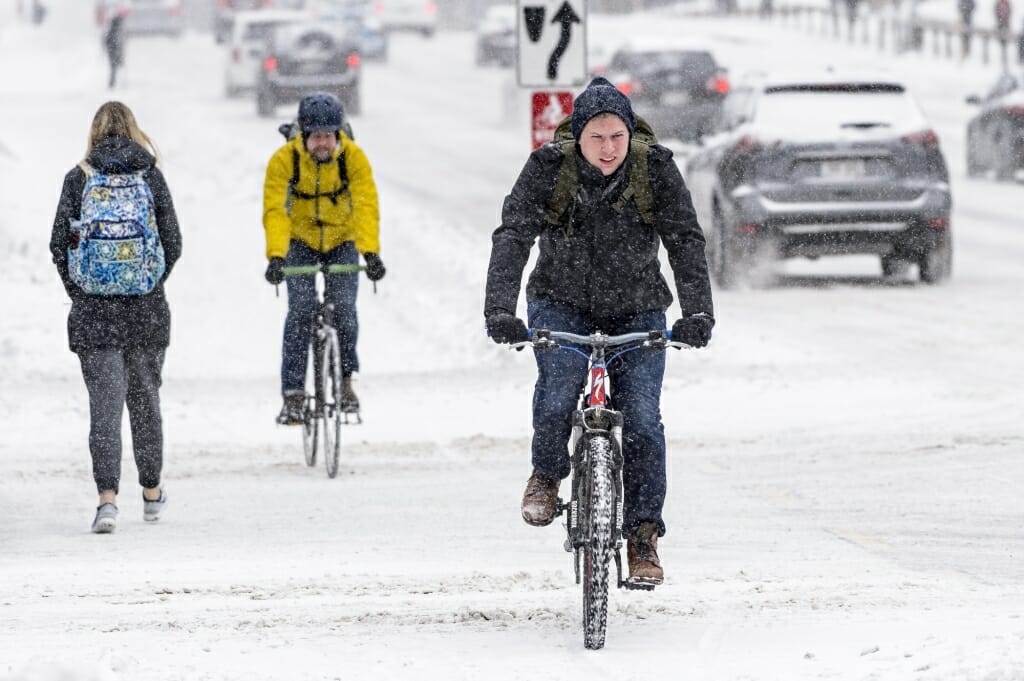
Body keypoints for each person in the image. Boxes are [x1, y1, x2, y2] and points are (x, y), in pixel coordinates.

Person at [484, 77, 715, 585]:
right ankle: (546, 475)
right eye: (597, 138)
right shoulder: (548, 169)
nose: (608, 149)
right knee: (557, 394)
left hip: (638, 309)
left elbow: (684, 240)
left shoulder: (655, 169)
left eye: (617, 137)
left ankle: (642, 537)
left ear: (631, 134)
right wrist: (499, 309)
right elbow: (514, 235)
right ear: (578, 138)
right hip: (559, 302)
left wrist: (698, 312)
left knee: (644, 423)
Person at [49, 101, 182, 534]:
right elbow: (173, 241)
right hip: (145, 312)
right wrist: (147, 282)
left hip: (94, 314)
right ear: (134, 131)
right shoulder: (150, 176)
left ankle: (107, 500)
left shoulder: (79, 178)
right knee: (145, 403)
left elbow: (58, 245)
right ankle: (151, 493)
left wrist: (85, 290)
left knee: (104, 409)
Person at [262, 92, 384, 425]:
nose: (323, 144)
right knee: (300, 311)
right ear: (303, 135)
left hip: (342, 240)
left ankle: (346, 383)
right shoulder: (283, 160)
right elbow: (275, 210)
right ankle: (294, 396)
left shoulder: (354, 158)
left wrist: (370, 252)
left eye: (328, 136)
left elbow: (366, 205)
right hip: (299, 241)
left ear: (338, 134)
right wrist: (275, 257)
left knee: (344, 308)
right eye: (316, 137)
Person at [104, 12, 125, 89]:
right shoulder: (114, 31)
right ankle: (112, 83)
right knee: (114, 67)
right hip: (113, 50)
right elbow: (110, 41)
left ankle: (112, 82)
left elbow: (106, 41)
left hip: (112, 50)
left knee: (113, 67)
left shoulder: (112, 30)